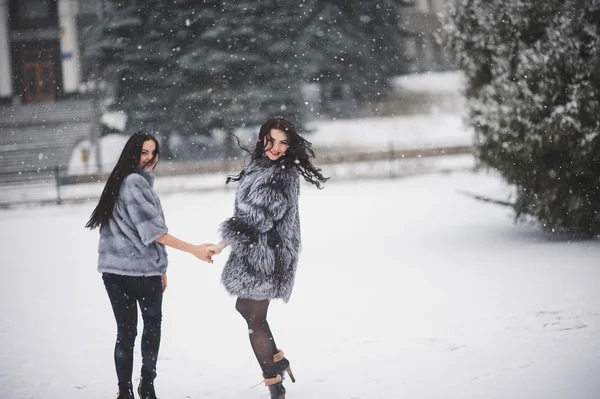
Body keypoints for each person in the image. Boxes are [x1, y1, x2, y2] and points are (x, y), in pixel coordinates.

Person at [85, 131, 214, 399]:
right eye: (144, 152)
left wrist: (161, 268)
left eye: (153, 153)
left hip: (115, 271)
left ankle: (126, 391)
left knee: (126, 332)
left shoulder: (120, 181)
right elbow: (153, 232)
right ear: (133, 152)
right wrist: (194, 250)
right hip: (137, 273)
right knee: (149, 327)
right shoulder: (134, 183)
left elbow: (133, 231)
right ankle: (147, 384)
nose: (149, 158)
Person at [209, 117, 328, 398]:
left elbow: (257, 219)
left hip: (269, 254)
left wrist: (220, 244)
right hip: (256, 249)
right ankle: (277, 360)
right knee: (245, 308)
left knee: (255, 321)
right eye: (271, 140)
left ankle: (274, 384)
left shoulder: (280, 174)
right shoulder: (260, 165)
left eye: (283, 143)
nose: (276, 147)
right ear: (262, 138)